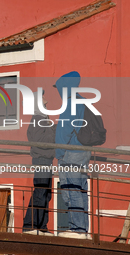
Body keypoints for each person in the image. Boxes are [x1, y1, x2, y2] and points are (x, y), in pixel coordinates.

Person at [54, 71, 91, 240]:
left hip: (71, 153)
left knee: (71, 191)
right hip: (84, 153)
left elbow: (64, 131)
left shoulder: (70, 104)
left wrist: (59, 153)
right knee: (81, 190)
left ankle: (77, 229)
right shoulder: (84, 102)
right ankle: (82, 228)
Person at [23, 90, 56, 236]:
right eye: (43, 100)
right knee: (40, 192)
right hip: (42, 159)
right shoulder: (38, 119)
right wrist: (55, 132)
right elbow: (40, 141)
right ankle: (30, 226)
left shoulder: (42, 119)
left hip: (46, 159)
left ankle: (41, 226)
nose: (47, 102)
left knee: (46, 194)